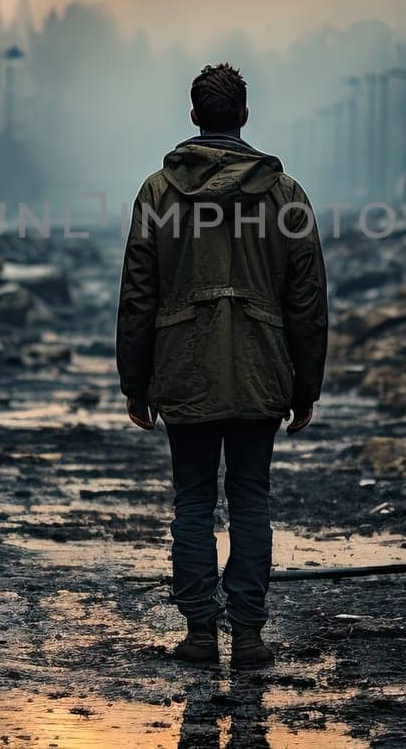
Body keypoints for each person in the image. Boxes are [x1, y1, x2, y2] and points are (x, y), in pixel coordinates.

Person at [116, 62, 328, 668]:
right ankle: (251, 635)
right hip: (262, 367)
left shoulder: (159, 193)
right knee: (252, 498)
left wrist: (136, 380)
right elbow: (307, 298)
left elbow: (138, 292)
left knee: (191, 501)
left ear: (194, 116)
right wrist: (305, 384)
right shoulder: (285, 196)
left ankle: (201, 632)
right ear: (243, 116)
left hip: (183, 367)